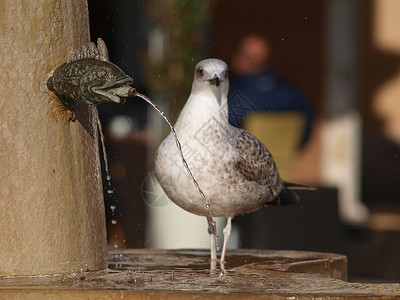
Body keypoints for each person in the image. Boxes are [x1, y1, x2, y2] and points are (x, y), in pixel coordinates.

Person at [228, 35, 313, 145]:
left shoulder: (235, 98)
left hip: (244, 160)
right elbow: (306, 128)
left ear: (243, 61)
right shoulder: (292, 94)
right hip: (280, 160)